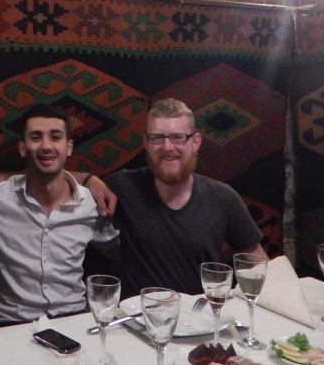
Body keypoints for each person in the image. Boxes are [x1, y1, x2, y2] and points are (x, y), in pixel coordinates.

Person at [0, 105, 118, 326]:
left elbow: (122, 250)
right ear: (23, 148)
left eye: (55, 137)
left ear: (68, 147)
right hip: (12, 324)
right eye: (36, 137)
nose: (46, 146)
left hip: (75, 320)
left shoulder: (90, 204)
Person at [105, 97, 267, 297]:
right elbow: (68, 188)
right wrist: (88, 180)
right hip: (135, 315)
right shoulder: (122, 186)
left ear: (195, 142)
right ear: (146, 143)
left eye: (177, 137)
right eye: (157, 138)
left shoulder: (223, 198)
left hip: (199, 313)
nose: (167, 147)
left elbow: (258, 265)